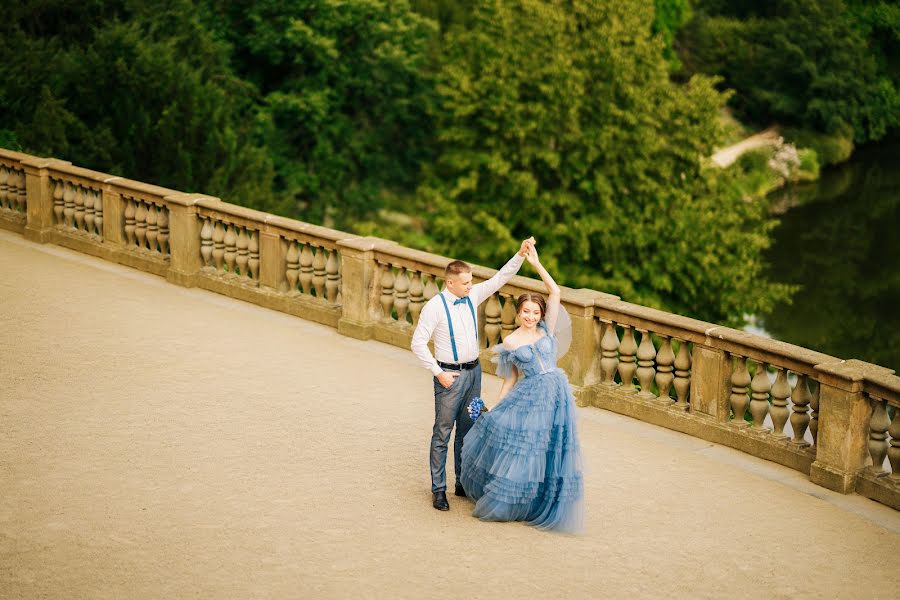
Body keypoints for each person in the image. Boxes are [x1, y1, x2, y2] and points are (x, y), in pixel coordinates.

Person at [460, 246, 584, 533]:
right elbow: (510, 379)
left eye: (535, 311)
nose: (531, 316)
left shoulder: (546, 330)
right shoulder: (511, 342)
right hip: (530, 398)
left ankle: (546, 501)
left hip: (556, 393)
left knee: (555, 447)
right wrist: (496, 406)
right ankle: (519, 503)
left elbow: (555, 292)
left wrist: (537, 263)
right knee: (528, 450)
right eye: (526, 311)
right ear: (518, 313)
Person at [411, 238, 535, 511]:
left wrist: (520, 254)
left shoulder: (473, 296)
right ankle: (439, 489)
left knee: (468, 431)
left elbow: (501, 278)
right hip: (449, 377)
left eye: (471, 281)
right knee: (442, 433)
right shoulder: (434, 307)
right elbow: (417, 342)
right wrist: (438, 372)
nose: (471, 285)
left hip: (474, 373)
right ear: (450, 283)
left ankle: (462, 483)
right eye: (466, 282)